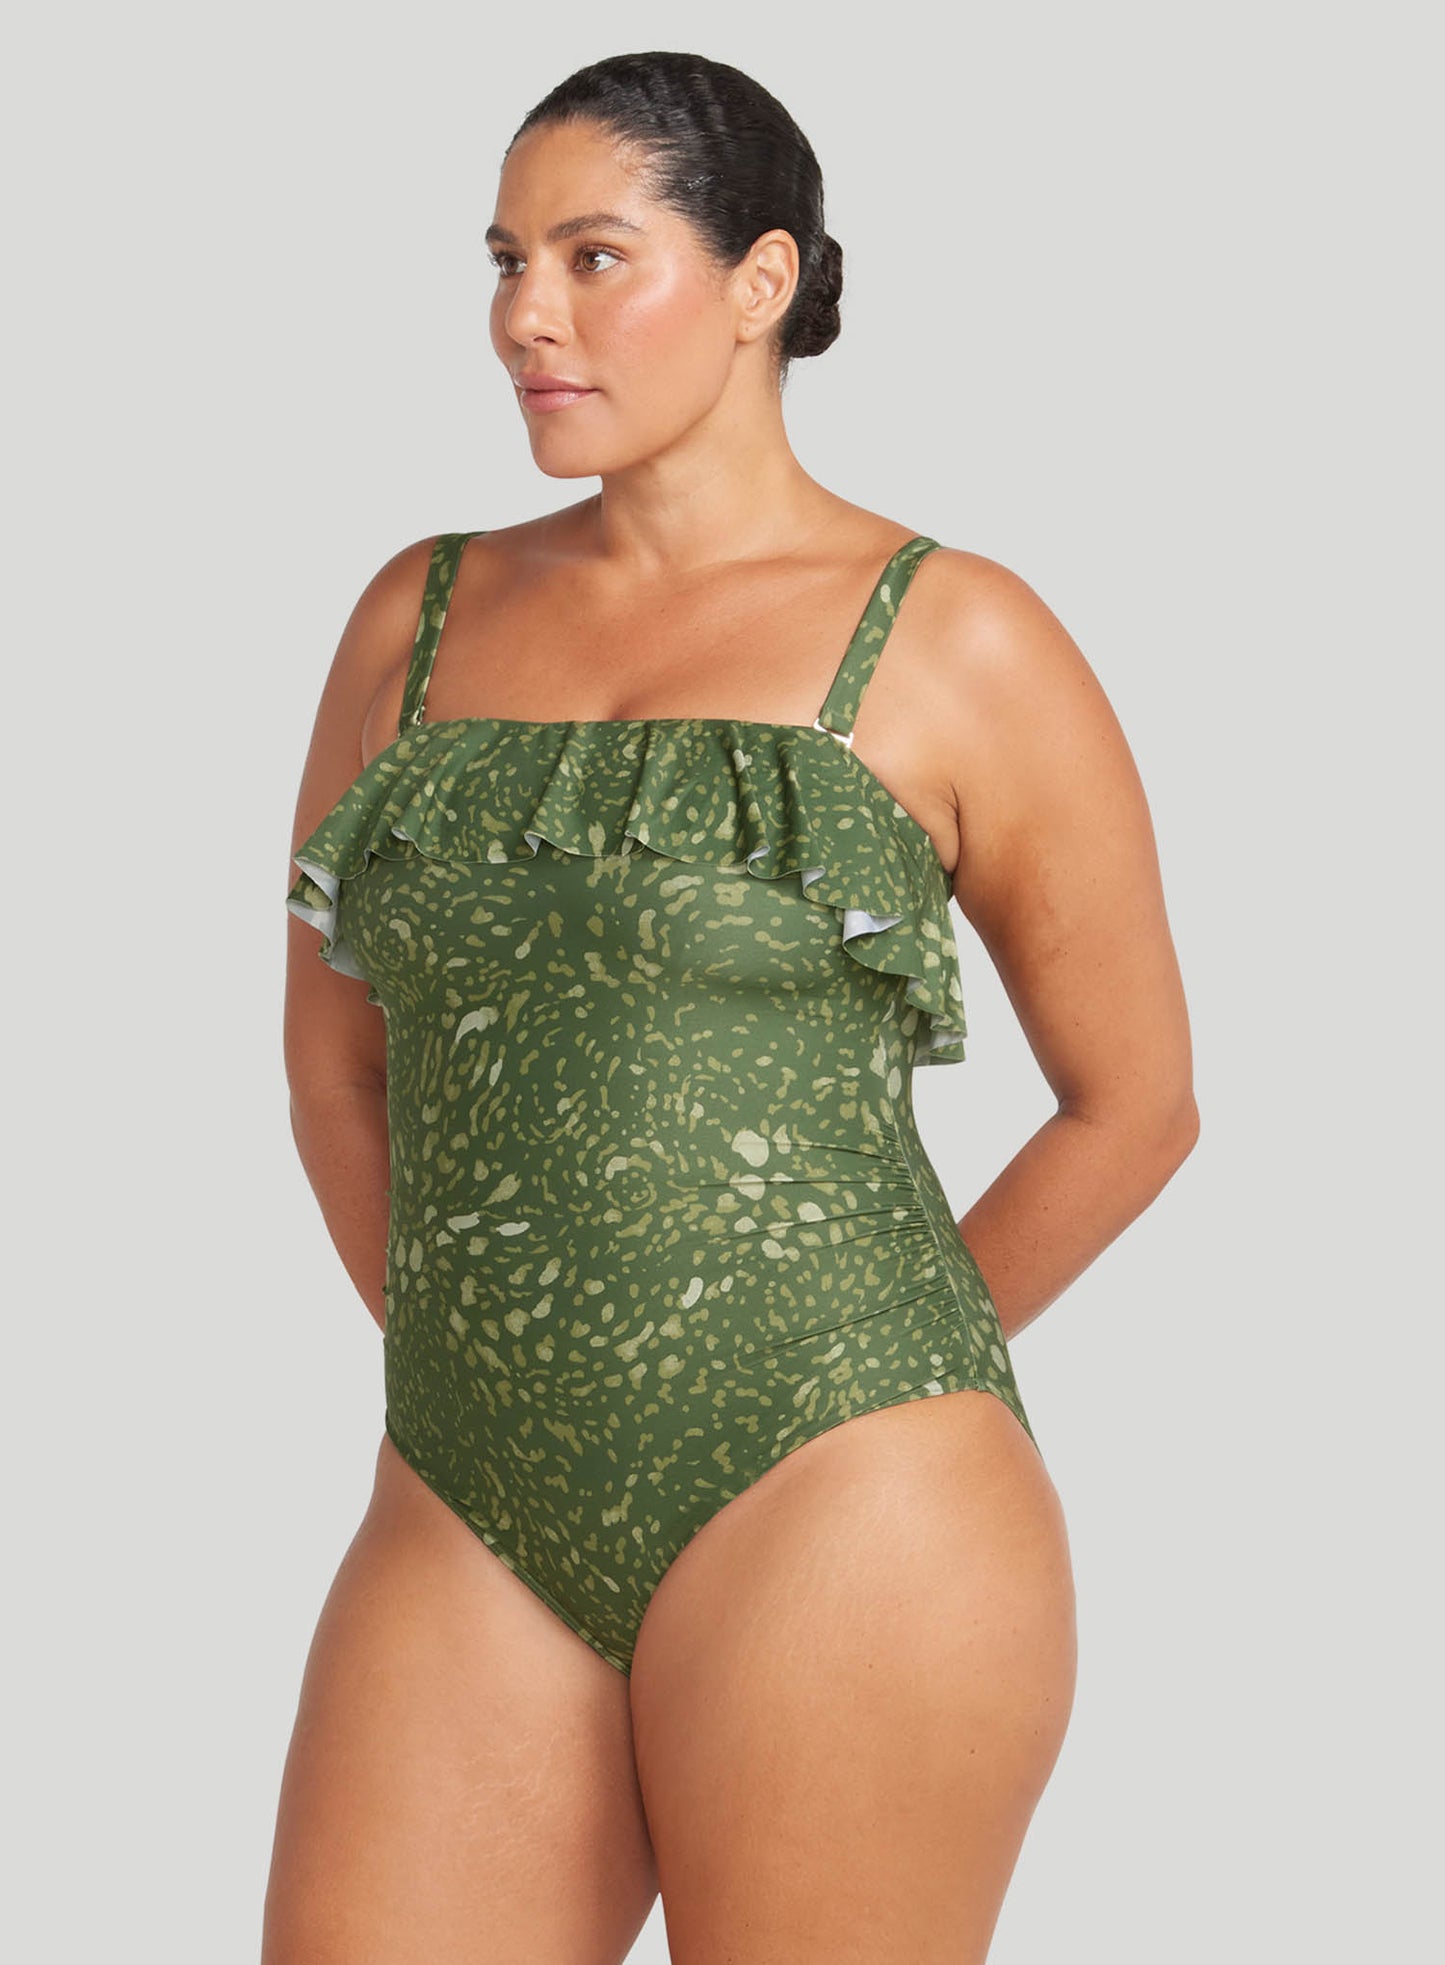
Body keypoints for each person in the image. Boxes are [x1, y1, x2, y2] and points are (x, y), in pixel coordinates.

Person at [266, 48, 1198, 1965]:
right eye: (506, 259)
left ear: (763, 279)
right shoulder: (412, 618)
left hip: (846, 1484)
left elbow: (1135, 1102)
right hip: (467, 1482)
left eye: (593, 257)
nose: (526, 315)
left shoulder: (957, 634)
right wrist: (513, 1352)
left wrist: (826, 1362)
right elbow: (335, 1070)